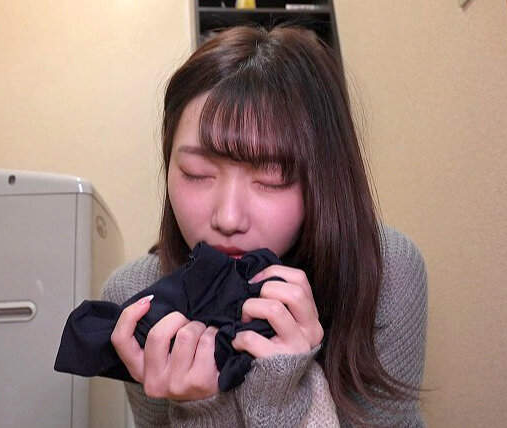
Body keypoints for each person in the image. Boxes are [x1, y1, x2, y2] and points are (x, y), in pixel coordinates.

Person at [102, 24, 427, 427]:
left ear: (323, 180)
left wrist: (283, 402)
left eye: (271, 177)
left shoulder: (385, 272)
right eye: (197, 172)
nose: (228, 218)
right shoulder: (136, 298)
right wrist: (201, 407)